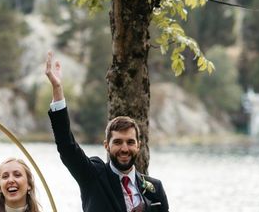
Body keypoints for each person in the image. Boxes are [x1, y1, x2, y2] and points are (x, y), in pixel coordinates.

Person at [45, 51, 170, 212]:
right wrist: (57, 88)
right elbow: (66, 147)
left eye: (130, 142)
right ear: (106, 145)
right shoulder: (93, 176)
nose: (124, 148)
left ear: (138, 146)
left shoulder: (155, 188)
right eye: (117, 142)